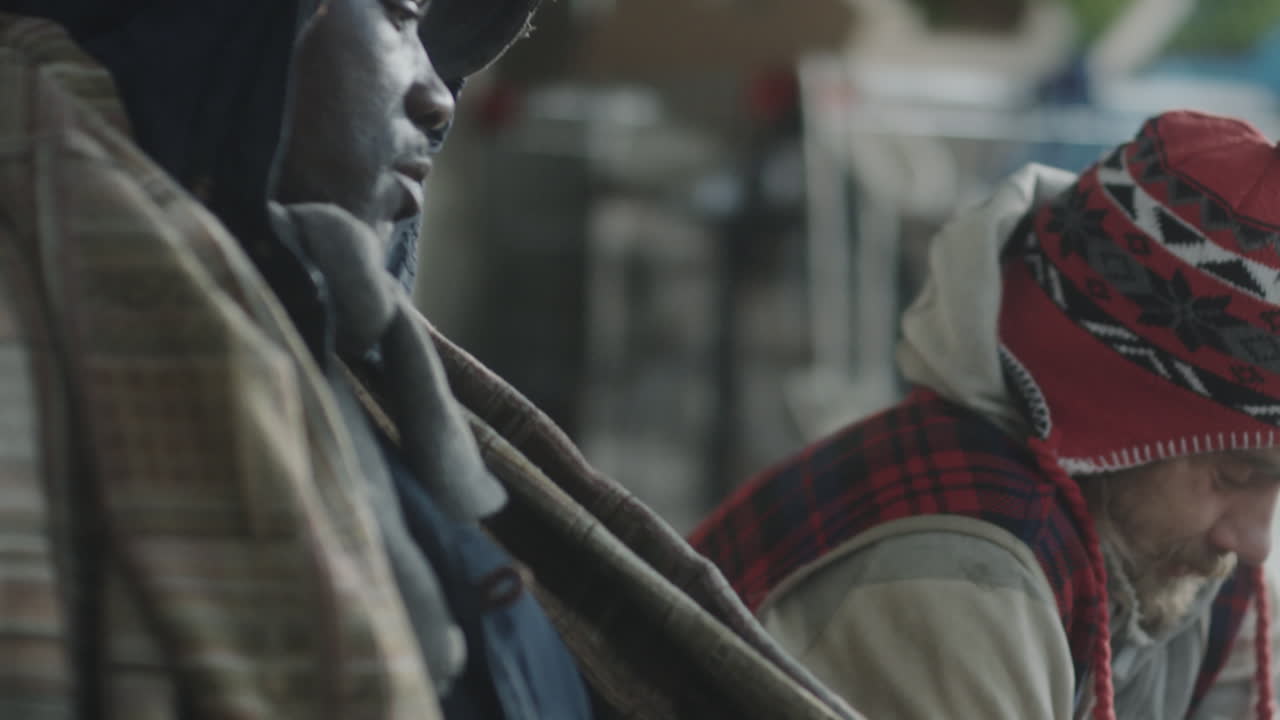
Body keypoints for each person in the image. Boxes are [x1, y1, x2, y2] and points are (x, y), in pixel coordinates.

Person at [0, 2, 863, 719]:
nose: (439, 98)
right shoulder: (58, 343)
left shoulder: (354, 372)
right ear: (227, 27)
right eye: (401, 13)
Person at [691, 110, 1280, 720]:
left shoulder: (1176, 566)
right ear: (1111, 418)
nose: (1258, 543)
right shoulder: (959, 574)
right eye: (1233, 475)